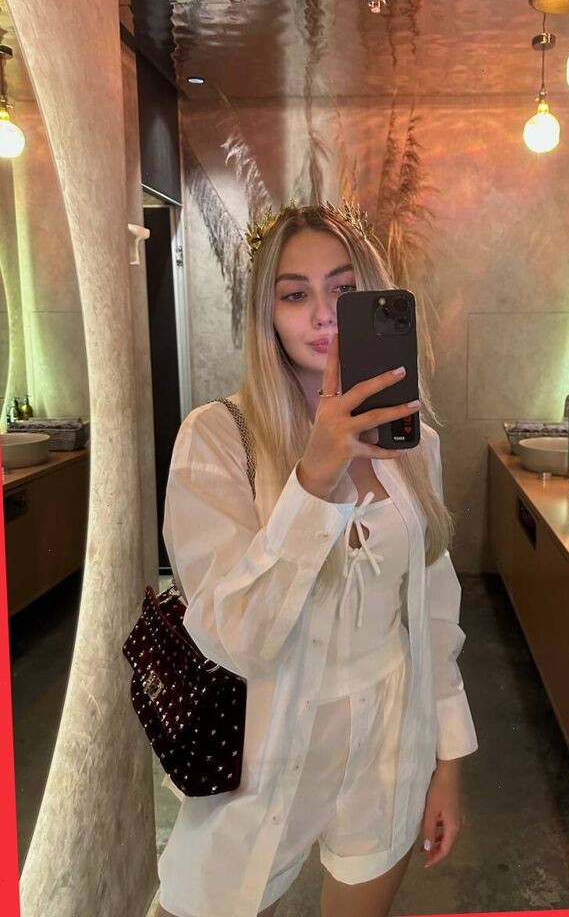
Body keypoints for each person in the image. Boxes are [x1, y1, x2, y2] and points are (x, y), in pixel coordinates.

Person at [155, 204, 478, 917]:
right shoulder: (217, 439)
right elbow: (235, 637)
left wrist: (448, 763)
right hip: (262, 748)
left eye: (343, 288)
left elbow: (433, 613)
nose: (323, 313)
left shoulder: (414, 444)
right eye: (295, 293)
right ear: (267, 315)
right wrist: (316, 476)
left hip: (389, 738)